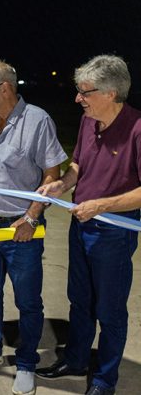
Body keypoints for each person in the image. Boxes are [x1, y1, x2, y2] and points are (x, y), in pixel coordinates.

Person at [0, 60, 66, 395]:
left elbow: (52, 175)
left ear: (5, 88)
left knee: (28, 300)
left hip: (23, 229)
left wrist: (31, 217)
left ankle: (27, 363)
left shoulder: (37, 121)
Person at [35, 55, 141, 395]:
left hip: (114, 232)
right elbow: (78, 165)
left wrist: (101, 205)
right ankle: (76, 360)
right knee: (79, 300)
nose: (77, 98)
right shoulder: (88, 122)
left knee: (110, 310)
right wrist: (61, 185)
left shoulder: (137, 129)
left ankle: (104, 381)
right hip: (81, 225)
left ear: (110, 93)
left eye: (85, 92)